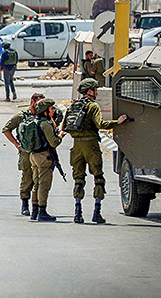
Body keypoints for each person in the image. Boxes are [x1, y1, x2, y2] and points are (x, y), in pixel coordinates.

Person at [63, 78, 127, 224]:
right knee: (98, 178)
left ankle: (77, 213)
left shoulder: (73, 106)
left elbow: (65, 126)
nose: (97, 92)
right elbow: (100, 124)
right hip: (91, 146)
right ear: (90, 91)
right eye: (95, 90)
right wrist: (118, 122)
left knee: (79, 179)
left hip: (76, 146)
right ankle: (96, 213)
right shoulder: (93, 106)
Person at [2, 92, 45, 216]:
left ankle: (38, 206)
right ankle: (25, 203)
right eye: (39, 103)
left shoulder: (44, 116)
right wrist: (17, 145)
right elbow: (6, 129)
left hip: (40, 152)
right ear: (32, 102)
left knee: (40, 180)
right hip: (26, 152)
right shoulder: (22, 116)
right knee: (27, 178)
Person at [29, 98, 65, 221]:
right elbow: (53, 142)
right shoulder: (46, 124)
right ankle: (42, 211)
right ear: (45, 112)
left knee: (36, 183)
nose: (53, 111)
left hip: (34, 156)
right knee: (44, 185)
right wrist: (60, 135)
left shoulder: (35, 121)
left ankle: (34, 211)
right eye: (51, 109)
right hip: (44, 157)